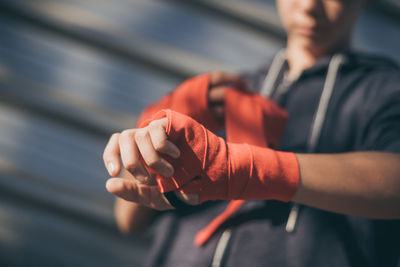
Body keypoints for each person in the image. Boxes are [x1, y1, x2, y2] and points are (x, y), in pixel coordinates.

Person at [103, 0, 400, 266]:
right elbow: (129, 219)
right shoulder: (225, 91)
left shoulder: (384, 91)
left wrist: (252, 170)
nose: (309, 7)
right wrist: (152, 145)